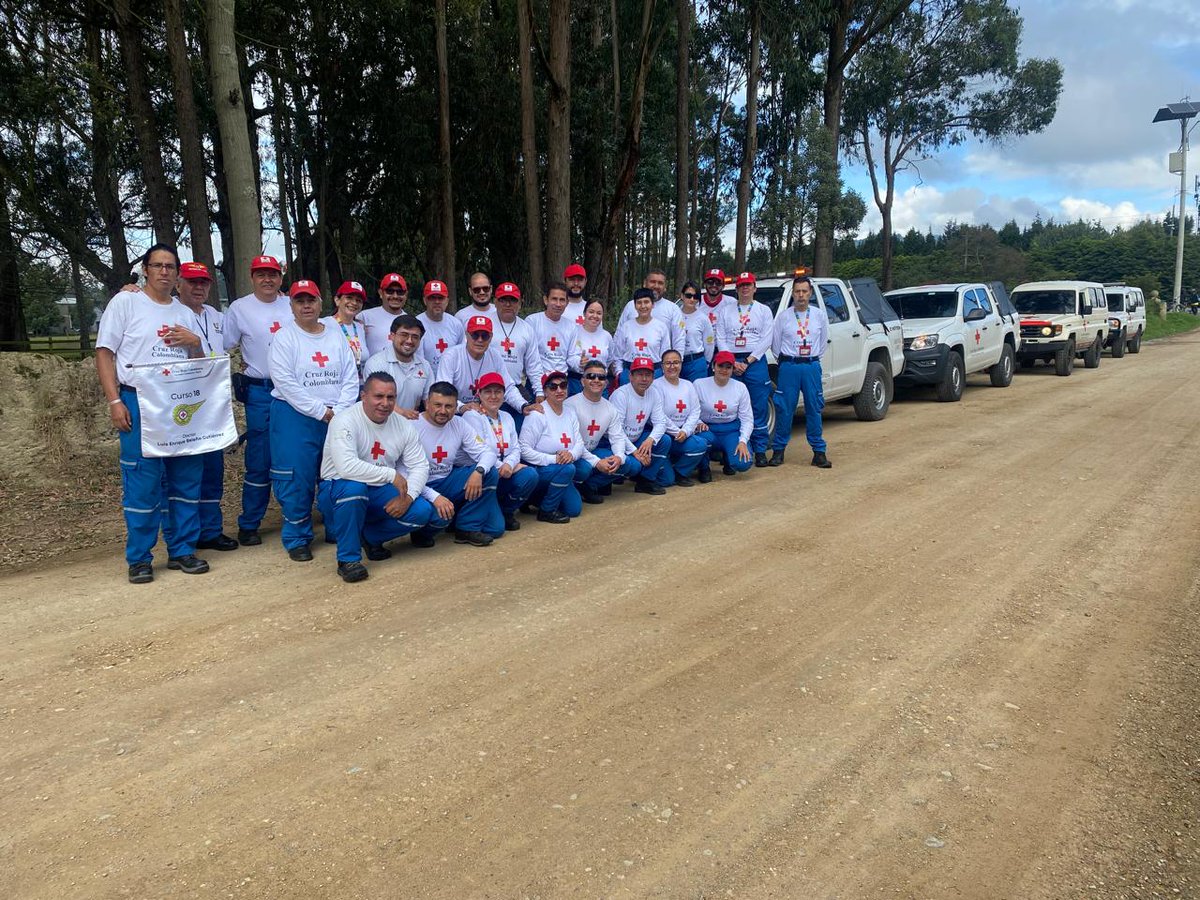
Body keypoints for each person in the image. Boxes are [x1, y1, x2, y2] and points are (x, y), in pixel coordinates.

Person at [96, 243, 209, 583]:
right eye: (157, 265)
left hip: (179, 403)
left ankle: (182, 549)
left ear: (177, 274)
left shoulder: (184, 313)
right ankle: (140, 558)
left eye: (170, 266)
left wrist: (195, 343)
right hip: (139, 401)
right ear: (145, 270)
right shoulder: (126, 302)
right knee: (142, 482)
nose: (164, 271)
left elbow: (201, 365)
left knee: (185, 479)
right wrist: (115, 401)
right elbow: (105, 353)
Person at [267, 280, 360, 561]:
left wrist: (339, 410)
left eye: (311, 300)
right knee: (297, 476)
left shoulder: (335, 335)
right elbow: (285, 382)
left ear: (321, 303)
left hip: (337, 415)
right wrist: (321, 411)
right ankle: (297, 536)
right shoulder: (285, 337)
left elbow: (350, 375)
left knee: (336, 472)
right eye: (300, 301)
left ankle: (335, 526)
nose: (306, 306)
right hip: (295, 416)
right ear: (291, 306)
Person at [316, 372, 435, 582]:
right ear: (364, 396)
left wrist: (408, 497)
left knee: (421, 511)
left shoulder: (403, 425)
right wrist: (391, 474)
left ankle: (369, 536)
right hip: (338, 489)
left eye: (391, 397)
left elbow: (419, 465)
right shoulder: (344, 420)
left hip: (377, 488)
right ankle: (348, 560)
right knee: (354, 489)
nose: (385, 403)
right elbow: (346, 467)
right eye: (378, 396)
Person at [222, 254, 291, 546]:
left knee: (291, 455)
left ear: (280, 277)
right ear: (252, 278)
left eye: (273, 274)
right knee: (259, 458)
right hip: (260, 390)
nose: (267, 279)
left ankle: (297, 516)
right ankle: (250, 523)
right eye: (261, 274)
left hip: (293, 391)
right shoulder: (239, 308)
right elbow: (222, 345)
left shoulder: (291, 304)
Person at [176, 261, 238, 551]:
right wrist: (132, 289)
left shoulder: (215, 315)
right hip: (183, 400)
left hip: (213, 400)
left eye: (203, 282)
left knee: (213, 467)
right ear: (179, 284)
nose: (198, 287)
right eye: (192, 282)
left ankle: (211, 530)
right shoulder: (172, 312)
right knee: (187, 471)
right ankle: (188, 534)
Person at [411, 381, 503, 546]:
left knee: (490, 474)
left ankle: (466, 528)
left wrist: (479, 471)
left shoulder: (458, 423)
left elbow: (488, 453)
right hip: (420, 486)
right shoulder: (412, 425)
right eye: (437, 405)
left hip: (447, 480)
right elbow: (405, 475)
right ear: (427, 403)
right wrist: (435, 497)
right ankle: (422, 532)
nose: (443, 411)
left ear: (456, 407)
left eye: (449, 406)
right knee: (439, 518)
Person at [518, 371, 598, 523]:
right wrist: (554, 459)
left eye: (563, 385)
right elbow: (523, 449)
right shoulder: (537, 414)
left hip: (563, 465)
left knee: (573, 509)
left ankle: (536, 497)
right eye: (553, 387)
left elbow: (579, 442)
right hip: (541, 468)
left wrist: (571, 455)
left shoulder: (570, 411)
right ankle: (546, 510)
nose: (559, 390)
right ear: (545, 391)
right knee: (569, 469)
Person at [462, 372, 538, 531]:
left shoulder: (507, 416)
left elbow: (515, 448)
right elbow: (479, 452)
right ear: (479, 394)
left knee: (530, 475)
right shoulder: (472, 416)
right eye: (487, 392)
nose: (493, 396)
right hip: (487, 473)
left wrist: (509, 465)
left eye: (498, 392)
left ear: (504, 395)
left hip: (505, 471)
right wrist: (501, 467)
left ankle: (506, 510)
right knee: (496, 528)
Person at [770, 275, 832, 468]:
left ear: (810, 293)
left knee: (814, 407)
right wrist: (787, 360)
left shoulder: (819, 315)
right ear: (793, 294)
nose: (801, 295)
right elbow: (776, 345)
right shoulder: (783, 317)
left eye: (804, 291)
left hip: (811, 366)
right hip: (789, 366)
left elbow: (823, 342)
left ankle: (819, 452)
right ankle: (778, 451)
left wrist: (811, 358)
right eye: (797, 291)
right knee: (784, 409)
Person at [715, 271, 773, 467]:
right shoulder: (726, 311)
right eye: (741, 285)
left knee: (758, 407)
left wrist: (748, 361)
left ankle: (760, 450)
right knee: (732, 406)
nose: (745, 288)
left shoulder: (764, 310)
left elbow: (766, 339)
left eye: (748, 285)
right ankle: (735, 449)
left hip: (755, 361)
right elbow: (721, 337)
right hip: (730, 361)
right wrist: (731, 362)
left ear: (755, 288)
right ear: (736, 289)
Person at [435, 314, 536, 416]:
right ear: (467, 335)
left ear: (491, 337)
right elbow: (443, 391)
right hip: (455, 411)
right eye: (475, 335)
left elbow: (508, 387)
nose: (480, 340)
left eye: (485, 336)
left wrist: (523, 405)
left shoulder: (495, 355)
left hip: (484, 411)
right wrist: (462, 407)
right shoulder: (451, 356)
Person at [565, 359, 637, 503]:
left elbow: (617, 437)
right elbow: (572, 444)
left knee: (627, 464)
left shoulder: (610, 408)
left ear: (606, 383)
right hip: (573, 456)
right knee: (584, 469)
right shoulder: (570, 405)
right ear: (582, 381)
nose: (596, 380)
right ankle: (572, 486)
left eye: (601, 377)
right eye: (591, 376)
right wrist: (597, 462)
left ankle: (589, 486)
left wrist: (619, 457)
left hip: (592, 451)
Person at [609, 356, 670, 494]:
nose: (644, 379)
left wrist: (650, 440)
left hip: (637, 439)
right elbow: (616, 431)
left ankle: (645, 480)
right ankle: (615, 477)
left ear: (653, 378)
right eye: (639, 374)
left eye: (648, 375)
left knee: (664, 440)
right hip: (615, 442)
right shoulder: (621, 395)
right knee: (634, 465)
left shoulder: (654, 393)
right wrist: (634, 452)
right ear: (630, 376)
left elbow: (661, 422)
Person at [652, 349, 709, 487]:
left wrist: (686, 431)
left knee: (701, 444)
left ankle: (680, 472)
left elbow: (695, 411)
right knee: (667, 481)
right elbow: (659, 415)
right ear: (662, 366)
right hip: (664, 435)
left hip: (683, 433)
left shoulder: (688, 385)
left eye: (676, 362)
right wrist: (677, 432)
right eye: (668, 363)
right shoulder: (655, 386)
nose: (672, 366)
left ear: (681, 364)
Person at [694, 351, 754, 475]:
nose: (724, 370)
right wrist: (698, 422)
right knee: (701, 441)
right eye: (720, 366)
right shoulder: (699, 384)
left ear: (733, 369)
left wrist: (743, 441)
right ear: (713, 366)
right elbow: (691, 411)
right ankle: (704, 467)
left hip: (730, 430)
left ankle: (729, 459)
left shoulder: (740, 387)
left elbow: (747, 418)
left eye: (728, 367)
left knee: (743, 463)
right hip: (707, 429)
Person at [491, 281, 543, 425]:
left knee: (522, 427)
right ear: (495, 302)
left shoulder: (527, 329)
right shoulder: (486, 324)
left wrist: (539, 392)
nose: (508, 304)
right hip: (489, 391)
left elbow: (533, 365)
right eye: (503, 300)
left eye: (513, 300)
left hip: (516, 388)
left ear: (520, 303)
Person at [361, 313, 432, 419]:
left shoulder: (425, 366)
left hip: (412, 423)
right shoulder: (376, 363)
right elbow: (375, 400)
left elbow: (429, 401)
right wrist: (403, 413)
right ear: (392, 336)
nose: (409, 341)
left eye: (415, 337)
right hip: (381, 422)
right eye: (404, 335)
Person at [526, 281, 580, 395]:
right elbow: (529, 357)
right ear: (546, 300)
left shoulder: (571, 327)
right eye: (554, 299)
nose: (558, 304)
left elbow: (572, 357)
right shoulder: (532, 321)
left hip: (562, 383)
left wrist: (581, 363)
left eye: (562, 300)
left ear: (567, 303)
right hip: (537, 381)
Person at [612, 288, 670, 383]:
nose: (643, 306)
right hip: (629, 374)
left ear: (653, 304)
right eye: (639, 302)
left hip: (654, 374)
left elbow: (665, 355)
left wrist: (663, 373)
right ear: (635, 305)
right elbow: (617, 354)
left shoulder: (661, 327)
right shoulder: (626, 326)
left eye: (646, 302)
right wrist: (619, 373)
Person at [618, 269, 685, 349]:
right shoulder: (631, 306)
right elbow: (619, 335)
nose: (656, 286)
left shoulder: (673, 309)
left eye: (660, 283)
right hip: (631, 356)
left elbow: (679, 340)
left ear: (665, 287)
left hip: (661, 357)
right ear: (644, 283)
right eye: (652, 282)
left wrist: (677, 356)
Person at [322, 280, 368, 379]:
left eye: (358, 300)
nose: (354, 303)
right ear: (337, 300)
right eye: (349, 297)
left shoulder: (360, 327)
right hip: (335, 383)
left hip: (360, 384)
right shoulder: (324, 324)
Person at [569, 299, 616, 395]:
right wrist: (579, 363)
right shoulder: (574, 332)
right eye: (591, 312)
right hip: (577, 383)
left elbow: (610, 359)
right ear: (584, 313)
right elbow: (569, 357)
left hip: (600, 383)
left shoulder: (606, 336)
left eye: (599, 313)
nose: (595, 316)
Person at [417, 279, 464, 370]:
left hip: (451, 376)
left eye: (441, 298)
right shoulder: (416, 324)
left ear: (447, 301)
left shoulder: (456, 324)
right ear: (425, 300)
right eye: (432, 298)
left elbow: (461, 353)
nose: (437, 302)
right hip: (425, 375)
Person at [361, 273, 410, 357]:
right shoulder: (364, 317)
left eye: (400, 292)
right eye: (390, 291)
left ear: (406, 295)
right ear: (381, 293)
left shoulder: (410, 321)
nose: (395, 296)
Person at [676, 280, 715, 383]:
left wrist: (706, 362)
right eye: (688, 296)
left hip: (696, 362)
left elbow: (709, 342)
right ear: (682, 296)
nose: (692, 299)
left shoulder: (703, 318)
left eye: (695, 296)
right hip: (676, 362)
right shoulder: (674, 315)